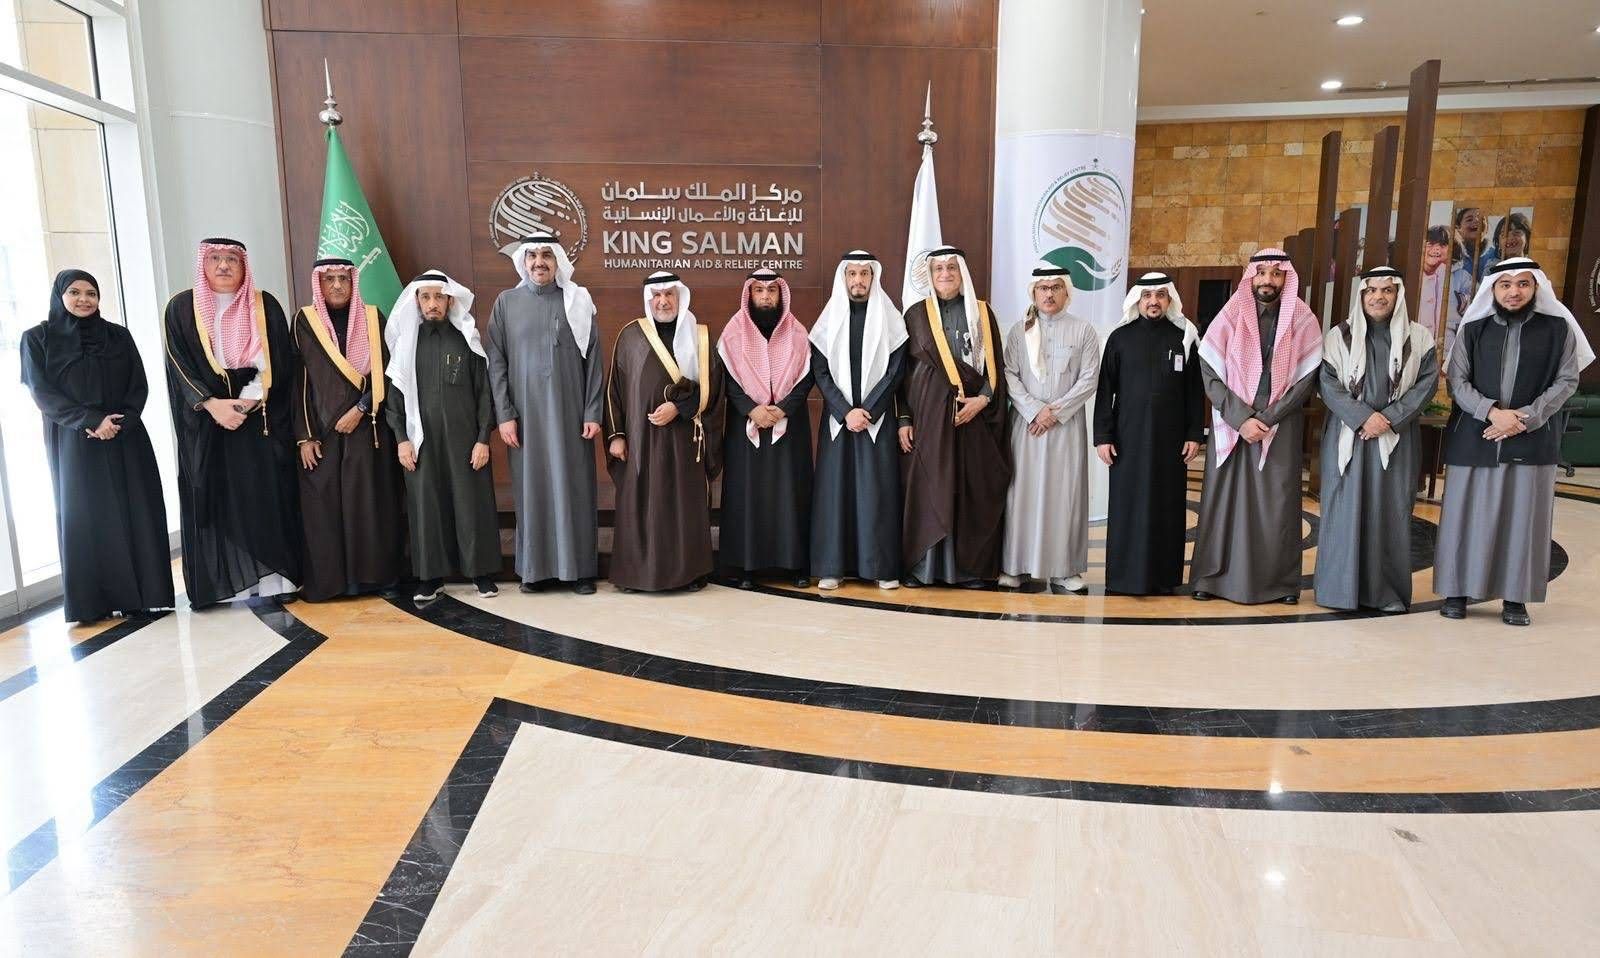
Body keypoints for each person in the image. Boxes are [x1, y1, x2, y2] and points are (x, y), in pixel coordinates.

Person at [1434, 257, 1592, 625]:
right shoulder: (1473, 330)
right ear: (1493, 290)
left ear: (1536, 287)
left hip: (1532, 438)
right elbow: (1457, 381)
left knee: (1523, 522)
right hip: (1476, 435)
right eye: (1505, 284)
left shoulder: (1557, 330)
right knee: (1464, 519)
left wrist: (1525, 419)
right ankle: (1457, 592)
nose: (1514, 291)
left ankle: (1515, 598)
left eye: (1523, 283)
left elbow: (1567, 381)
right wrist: (1491, 412)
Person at [21, 269, 174, 623]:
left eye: (91, 293)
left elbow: (139, 384)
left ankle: (143, 597)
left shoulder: (118, 336)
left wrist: (119, 422)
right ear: (59, 295)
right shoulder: (38, 339)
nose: (84, 299)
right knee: (85, 516)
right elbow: (42, 394)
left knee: (135, 511)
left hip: (125, 437)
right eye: (74, 292)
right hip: (73, 441)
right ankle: (93, 603)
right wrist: (90, 421)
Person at [162, 238, 302, 608]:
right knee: (216, 497)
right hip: (207, 421)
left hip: (258, 418)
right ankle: (227, 587)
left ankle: (274, 583)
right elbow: (177, 364)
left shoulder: (264, 304)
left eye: (231, 259)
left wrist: (247, 402)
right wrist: (211, 405)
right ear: (203, 264)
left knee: (263, 496)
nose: (224, 266)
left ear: (243, 266)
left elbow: (279, 361)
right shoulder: (181, 307)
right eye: (215, 258)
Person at [1190, 249, 1323, 605]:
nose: (1268, 280)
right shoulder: (1229, 315)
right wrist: (1241, 419)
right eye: (1261, 272)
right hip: (1232, 421)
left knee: (1276, 503)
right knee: (1223, 501)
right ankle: (1211, 579)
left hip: (1280, 423)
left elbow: (1306, 380)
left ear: (1286, 278)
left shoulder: (1302, 319)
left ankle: (1279, 584)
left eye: (1276, 273)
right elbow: (1210, 373)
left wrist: (1266, 418)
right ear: (1251, 276)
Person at [1313, 267, 1439, 612]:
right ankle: (1338, 592)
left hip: (1397, 438)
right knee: (1343, 512)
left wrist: (1389, 419)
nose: (1378, 297)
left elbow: (1426, 385)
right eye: (1371, 290)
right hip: (1347, 435)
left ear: (1398, 295)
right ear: (1362, 295)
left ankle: (1387, 594)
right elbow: (1327, 383)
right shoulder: (1338, 336)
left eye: (1387, 290)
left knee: (1391, 513)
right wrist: (1362, 417)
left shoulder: (1419, 337)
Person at [486, 234, 603, 596]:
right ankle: (534, 572)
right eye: (533, 255)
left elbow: (594, 361)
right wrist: (504, 414)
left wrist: (593, 411)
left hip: (571, 417)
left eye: (547, 255)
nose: (539, 262)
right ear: (523, 261)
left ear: (558, 262)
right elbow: (496, 362)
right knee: (531, 489)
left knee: (574, 487)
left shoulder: (577, 302)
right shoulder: (506, 303)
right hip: (525, 419)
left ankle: (581, 571)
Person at [384, 271, 501, 605]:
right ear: (417, 302)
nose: (432, 304)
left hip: (465, 442)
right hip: (421, 444)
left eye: (439, 297)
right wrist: (401, 439)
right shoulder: (407, 344)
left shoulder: (467, 340)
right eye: (426, 297)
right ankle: (429, 578)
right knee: (426, 506)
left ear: (450, 300)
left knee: (471, 503)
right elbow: (395, 398)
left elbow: (485, 395)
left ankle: (480, 573)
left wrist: (483, 438)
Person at [291, 257, 404, 601]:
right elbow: (298, 381)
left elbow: (387, 371)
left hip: (367, 428)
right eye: (330, 280)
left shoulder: (371, 317)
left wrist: (361, 408)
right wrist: (305, 436)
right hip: (322, 433)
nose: (338, 285)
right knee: (325, 509)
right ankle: (335, 583)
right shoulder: (305, 321)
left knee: (370, 504)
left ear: (353, 283)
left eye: (344, 279)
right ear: (319, 284)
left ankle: (374, 579)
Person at [605, 272, 726, 593]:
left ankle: (689, 573)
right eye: (657, 295)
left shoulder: (700, 336)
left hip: (685, 441)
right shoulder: (630, 336)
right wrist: (616, 435)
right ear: (649, 299)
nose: (663, 301)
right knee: (642, 504)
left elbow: (713, 389)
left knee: (684, 506)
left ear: (680, 297)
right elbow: (614, 389)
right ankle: (636, 575)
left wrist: (678, 407)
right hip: (641, 442)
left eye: (669, 294)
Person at [897, 246, 1011, 587]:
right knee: (930, 489)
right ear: (930, 276)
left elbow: (996, 367)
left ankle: (969, 570)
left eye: (952, 268)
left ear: (962, 274)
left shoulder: (982, 312)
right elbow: (902, 373)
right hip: (928, 420)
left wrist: (982, 401)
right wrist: (904, 419)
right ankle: (925, 568)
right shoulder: (916, 315)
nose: (945, 274)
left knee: (971, 490)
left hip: (974, 420)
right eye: (939, 269)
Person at [1093, 272, 1204, 596]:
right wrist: (1103, 436)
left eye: (1160, 295)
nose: (1153, 301)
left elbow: (1195, 391)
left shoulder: (1184, 338)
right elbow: (1105, 390)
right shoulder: (1119, 338)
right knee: (1127, 507)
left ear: (1169, 300)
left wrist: (1194, 434)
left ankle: (1164, 578)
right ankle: (1124, 578)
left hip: (1171, 442)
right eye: (1147, 296)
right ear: (1138, 300)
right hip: (1127, 440)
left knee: (1166, 507)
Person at [809, 251, 909, 591]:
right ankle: (832, 567)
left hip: (876, 422)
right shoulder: (828, 320)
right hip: (839, 422)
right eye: (852, 274)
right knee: (835, 494)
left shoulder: (891, 319)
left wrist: (868, 410)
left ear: (873, 278)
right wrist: (845, 411)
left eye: (864, 274)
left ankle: (881, 567)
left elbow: (895, 372)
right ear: (844, 278)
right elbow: (820, 372)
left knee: (876, 493)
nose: (858, 280)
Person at [998, 265, 1100, 592]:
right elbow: (1009, 374)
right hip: (1027, 426)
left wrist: (1053, 414)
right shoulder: (1020, 331)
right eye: (1043, 288)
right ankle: (1016, 566)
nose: (1049, 294)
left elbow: (1089, 379)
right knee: (1021, 495)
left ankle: (1064, 569)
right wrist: (1034, 411)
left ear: (1067, 292)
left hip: (1065, 428)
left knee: (1064, 497)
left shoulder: (1083, 330)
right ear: (1034, 293)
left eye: (1056, 287)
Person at [717, 268, 814, 589]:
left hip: (790, 428)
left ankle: (795, 565)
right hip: (746, 427)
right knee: (748, 497)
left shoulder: (797, 332)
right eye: (759, 290)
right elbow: (727, 379)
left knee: (791, 496)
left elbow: (807, 377)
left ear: (781, 294)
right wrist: (752, 409)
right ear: (749, 295)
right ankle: (746, 567)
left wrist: (783, 408)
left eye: (771, 290)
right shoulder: (733, 333)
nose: (766, 297)